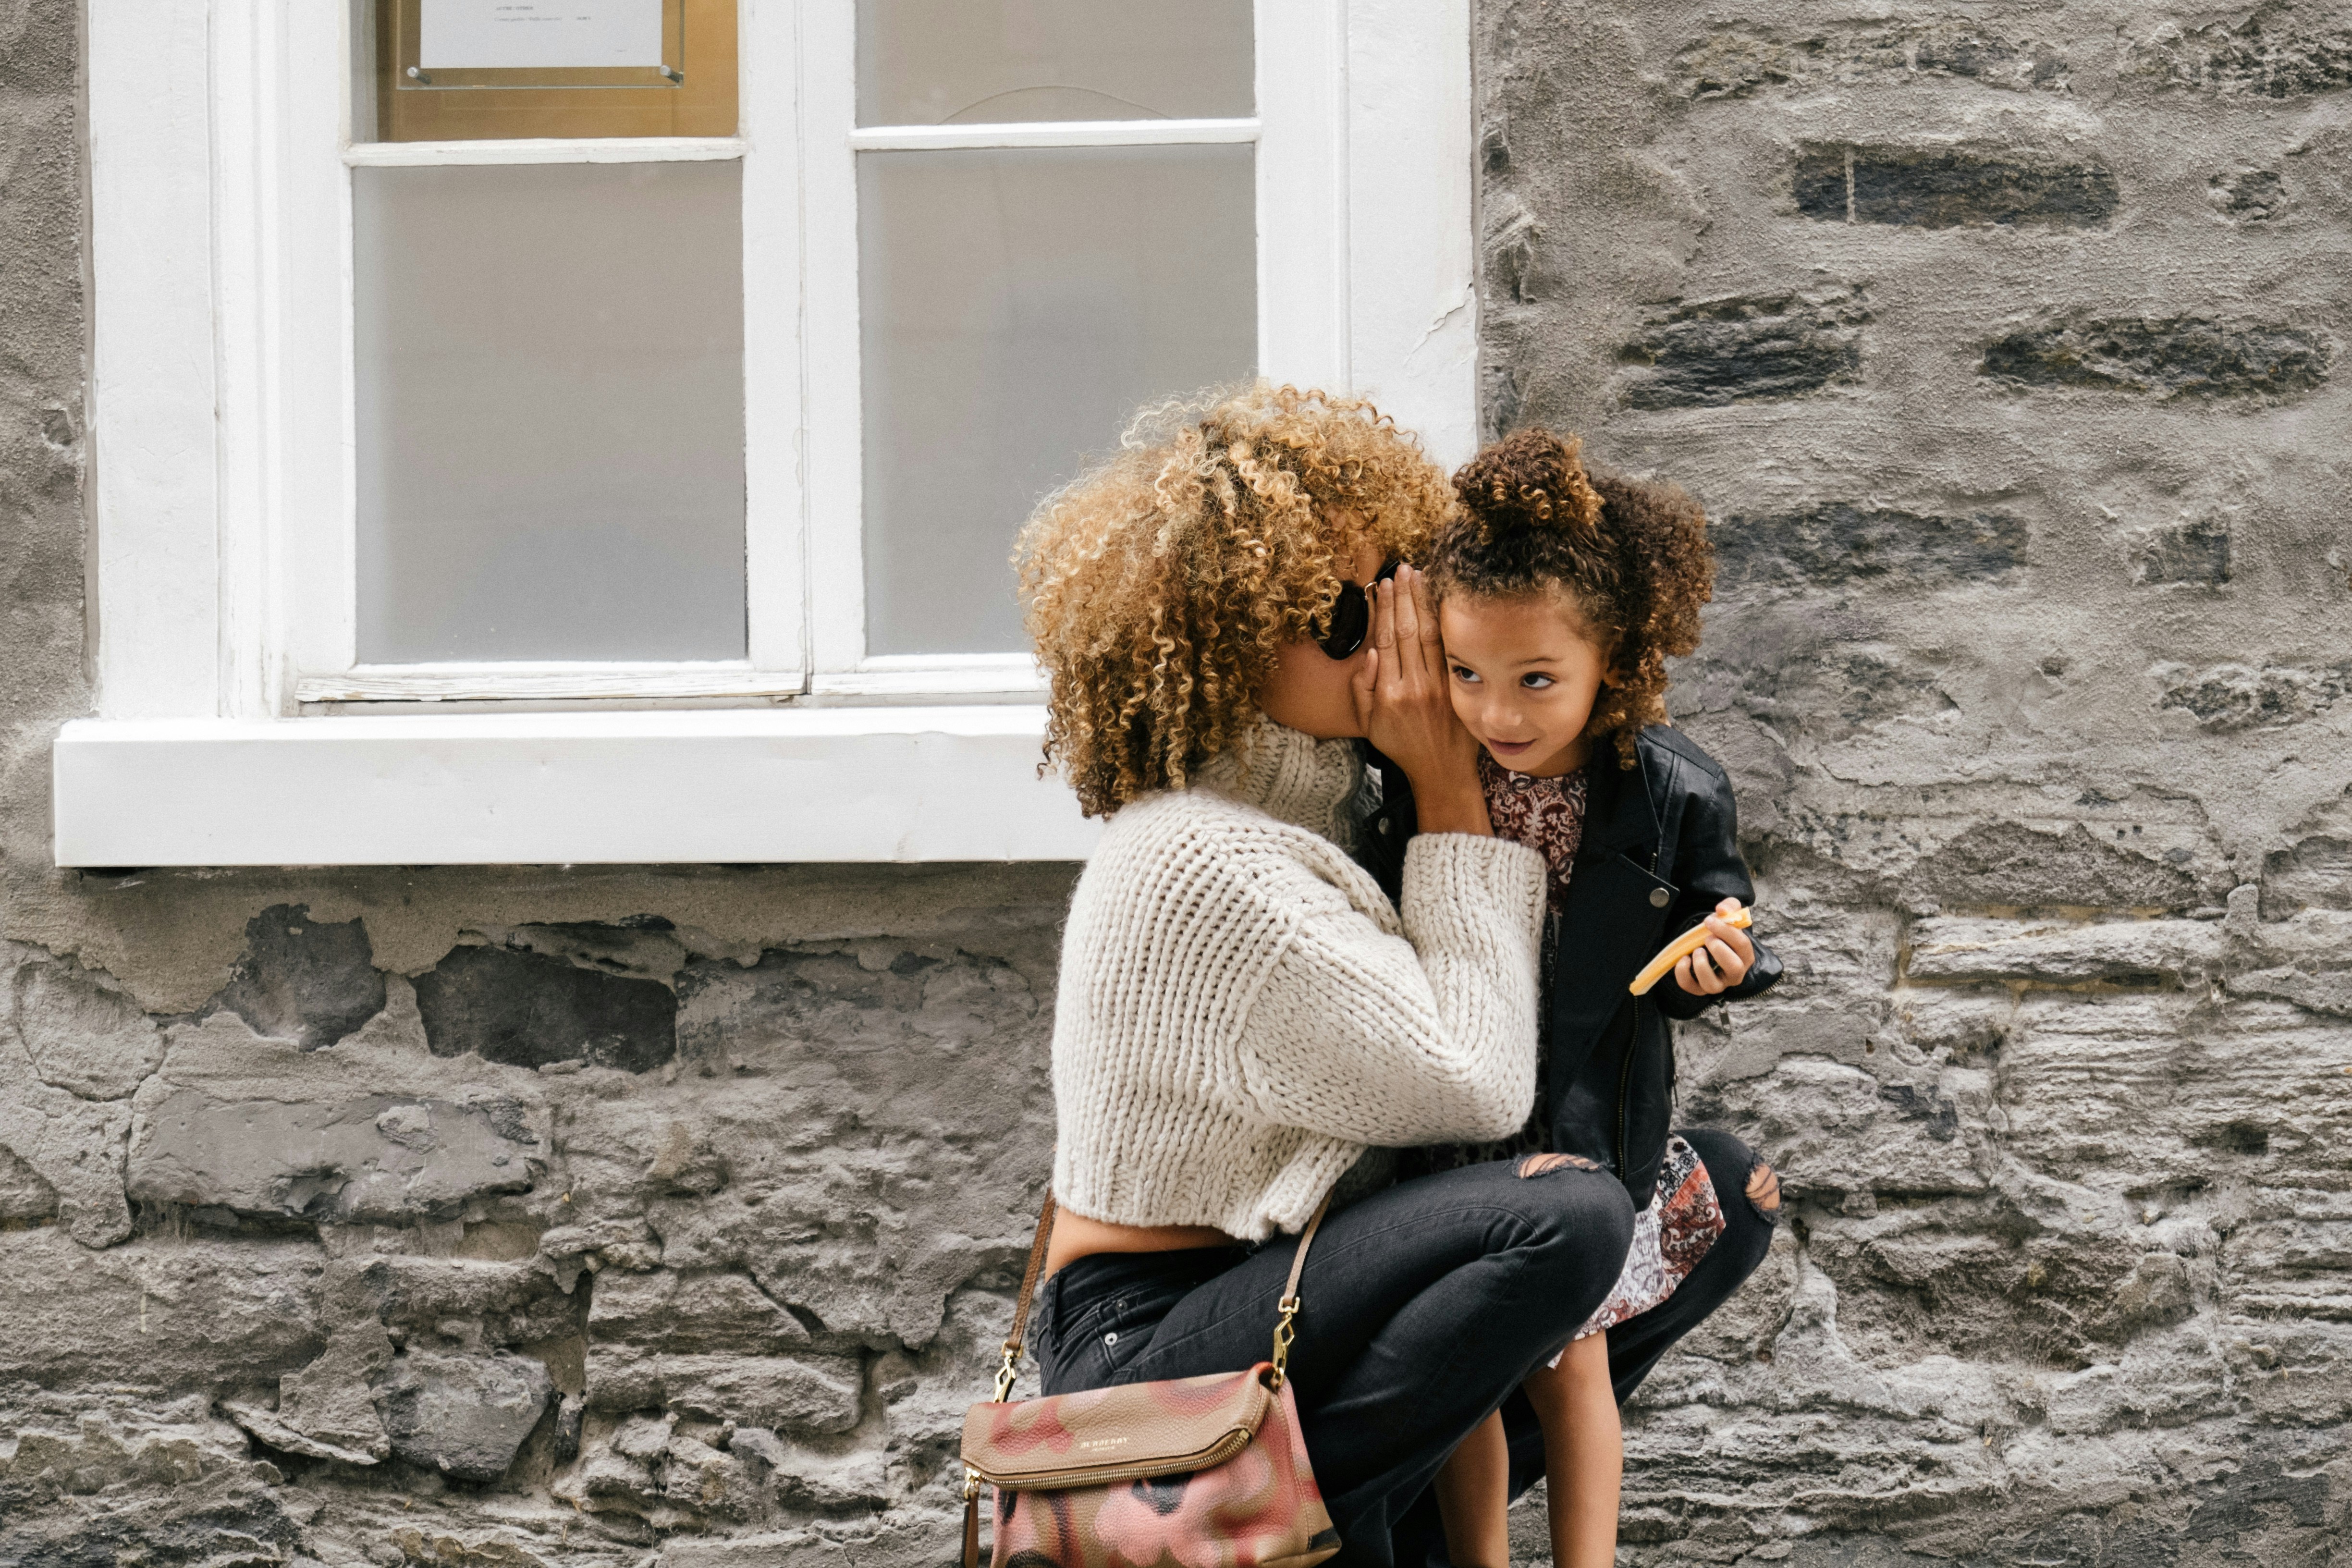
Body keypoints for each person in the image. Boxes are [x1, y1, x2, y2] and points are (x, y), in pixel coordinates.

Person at [1009, 384, 1638, 1568]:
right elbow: (1473, 1081)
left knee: (1709, 1190)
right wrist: (1457, 795)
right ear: (1227, 638)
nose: (1397, 632)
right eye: (1343, 614)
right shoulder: (1204, 859)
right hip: (1147, 1337)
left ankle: (1356, 1531)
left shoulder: (1331, 812)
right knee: (1565, 1218)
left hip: (1282, 1291)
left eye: (1402, 584)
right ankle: (1233, 1528)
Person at [1362, 428, 1787, 1568]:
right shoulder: (1417, 777)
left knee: (1574, 1359)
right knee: (1475, 1364)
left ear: (1619, 661)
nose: (1498, 711)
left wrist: (1721, 962)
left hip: (1590, 1116)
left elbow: (1723, 919)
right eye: (1467, 673)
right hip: (1457, 1111)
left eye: (1536, 678)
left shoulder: (1672, 790)